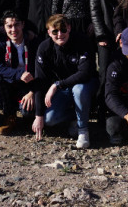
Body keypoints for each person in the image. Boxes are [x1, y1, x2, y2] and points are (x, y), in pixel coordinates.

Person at [37, 14, 97, 146]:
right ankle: (77, 117)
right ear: (48, 32)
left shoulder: (82, 41)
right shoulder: (44, 48)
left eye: (63, 30)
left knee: (79, 89)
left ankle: (83, 130)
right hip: (62, 89)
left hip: (84, 85)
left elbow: (84, 73)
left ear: (69, 28)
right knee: (49, 119)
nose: (60, 34)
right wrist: (38, 115)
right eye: (55, 31)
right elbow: (40, 81)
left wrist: (57, 85)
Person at [0, 11, 44, 137]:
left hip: (30, 85)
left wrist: (32, 92)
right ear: (4, 27)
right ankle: (9, 116)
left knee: (27, 112)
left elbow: (42, 69)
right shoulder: (0, 43)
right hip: (11, 82)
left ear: (23, 25)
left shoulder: (33, 42)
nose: (13, 29)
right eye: (9, 26)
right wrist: (19, 73)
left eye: (17, 25)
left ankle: (29, 117)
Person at [89, 0, 125, 88]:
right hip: (104, 32)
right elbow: (95, 10)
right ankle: (101, 103)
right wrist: (100, 35)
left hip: (121, 32)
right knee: (104, 70)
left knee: (121, 68)